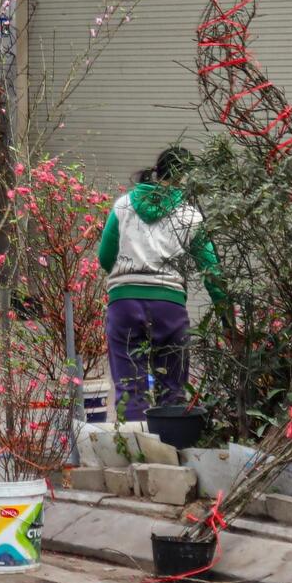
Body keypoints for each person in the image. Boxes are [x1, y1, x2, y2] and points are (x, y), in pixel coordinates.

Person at [98, 147, 224, 422]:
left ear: (159, 170)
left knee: (130, 387)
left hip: (125, 305)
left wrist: (127, 279)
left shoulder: (124, 205)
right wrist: (229, 321)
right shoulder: (190, 216)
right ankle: (170, 451)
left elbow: (105, 257)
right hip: (169, 306)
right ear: (187, 178)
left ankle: (134, 452)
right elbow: (212, 271)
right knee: (172, 388)